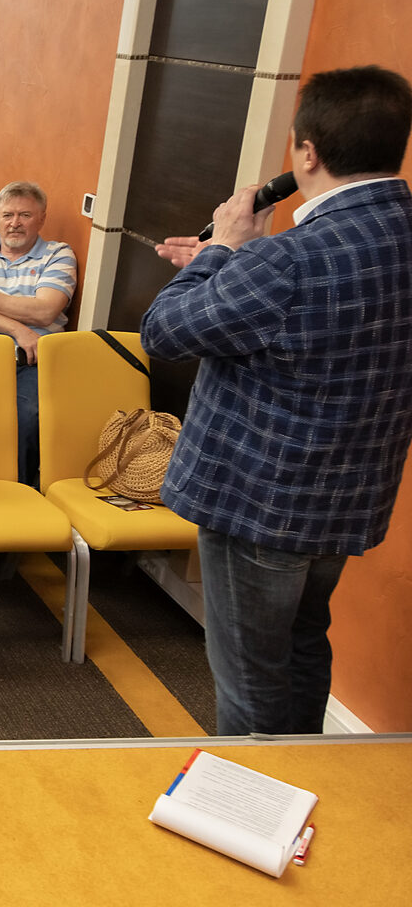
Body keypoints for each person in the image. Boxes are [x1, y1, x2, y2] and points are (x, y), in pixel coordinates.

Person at [143, 65, 412, 737]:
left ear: (307, 153)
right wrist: (231, 270)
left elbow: (164, 332)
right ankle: (310, 777)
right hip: (348, 498)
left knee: (251, 681)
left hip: (260, 508)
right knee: (302, 646)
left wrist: (223, 251)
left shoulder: (287, 260)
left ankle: (258, 792)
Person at [0, 181, 75, 487]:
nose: (14, 223)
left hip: (33, 361)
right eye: (7, 215)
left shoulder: (59, 254)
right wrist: (19, 329)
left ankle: (16, 490)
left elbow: (45, 311)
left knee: (27, 416)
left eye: (25, 215)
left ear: (42, 218)